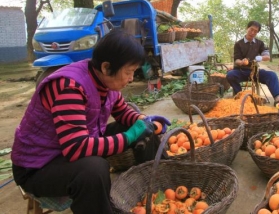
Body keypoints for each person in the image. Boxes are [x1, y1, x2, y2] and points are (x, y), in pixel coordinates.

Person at [11, 28, 171, 214]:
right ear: (106, 67)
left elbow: (123, 113)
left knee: (144, 131)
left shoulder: (106, 82)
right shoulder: (69, 87)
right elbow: (76, 148)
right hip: (39, 166)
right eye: (128, 72)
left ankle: (156, 193)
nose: (131, 79)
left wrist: (144, 121)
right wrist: (129, 136)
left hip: (70, 148)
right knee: (93, 170)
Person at [226, 20, 279, 106]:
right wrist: (242, 62)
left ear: (257, 32)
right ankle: (241, 97)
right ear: (247, 28)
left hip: (254, 71)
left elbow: (267, 56)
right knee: (230, 75)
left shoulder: (259, 43)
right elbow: (236, 60)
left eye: (255, 31)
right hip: (240, 71)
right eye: (251, 29)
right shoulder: (238, 44)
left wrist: (261, 57)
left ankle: (278, 98)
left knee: (272, 75)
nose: (252, 32)